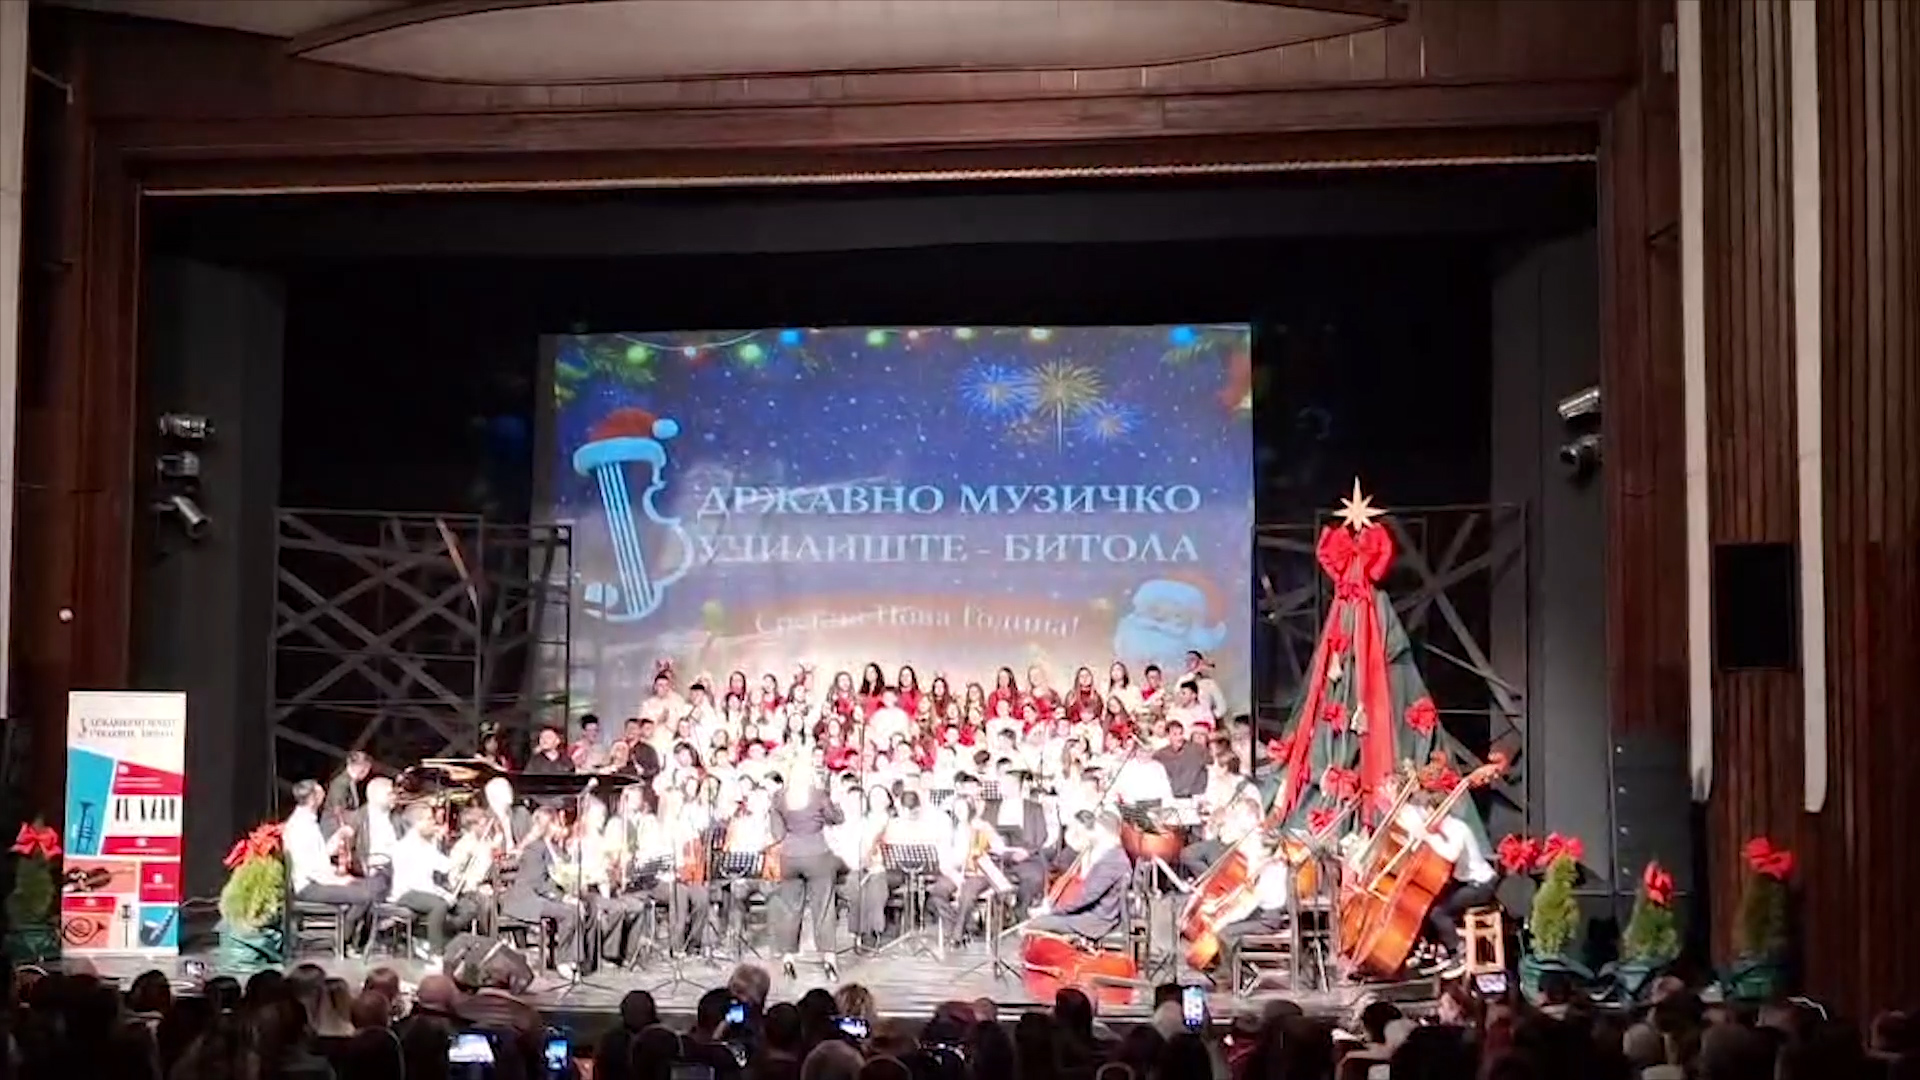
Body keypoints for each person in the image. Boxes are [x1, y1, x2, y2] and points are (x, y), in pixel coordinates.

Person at [1398, 788, 1497, 976]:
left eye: (1428, 812)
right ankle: (1432, 950)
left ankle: (1458, 952)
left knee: (1439, 912)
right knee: (1425, 905)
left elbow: (1451, 854)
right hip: (1464, 881)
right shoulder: (1443, 829)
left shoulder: (1458, 828)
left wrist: (1428, 837)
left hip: (1481, 884)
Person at [285, 778, 379, 954]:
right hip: (310, 886)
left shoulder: (309, 821)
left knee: (370, 888)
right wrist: (337, 881)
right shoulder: (300, 826)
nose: (323, 796)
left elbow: (320, 855)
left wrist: (338, 837)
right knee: (363, 896)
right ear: (312, 798)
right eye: (320, 793)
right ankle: (344, 942)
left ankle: (354, 939)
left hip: (318, 879)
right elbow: (310, 868)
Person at [773, 774, 845, 978]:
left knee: (790, 908)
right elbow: (836, 818)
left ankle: (788, 959)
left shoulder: (779, 797)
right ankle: (829, 960)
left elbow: (777, 834)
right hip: (817, 853)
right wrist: (836, 802)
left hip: (789, 856)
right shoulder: (818, 795)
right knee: (823, 907)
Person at [496, 809, 581, 976]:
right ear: (548, 826)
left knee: (577, 909)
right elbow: (538, 883)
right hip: (526, 898)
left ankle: (574, 958)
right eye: (556, 824)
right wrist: (562, 897)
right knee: (568, 913)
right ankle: (563, 961)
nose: (560, 828)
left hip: (543, 896)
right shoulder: (534, 849)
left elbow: (562, 871)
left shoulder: (554, 848)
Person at [388, 804, 479, 959]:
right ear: (417, 824)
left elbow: (445, 866)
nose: (434, 823)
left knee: (468, 907)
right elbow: (416, 883)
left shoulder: (428, 845)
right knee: (440, 905)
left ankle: (435, 937)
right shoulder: (404, 848)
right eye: (429, 819)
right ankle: (435, 953)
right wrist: (442, 895)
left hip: (427, 892)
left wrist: (466, 852)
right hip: (408, 893)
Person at [1027, 812, 1131, 941]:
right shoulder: (1113, 856)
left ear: (1102, 831)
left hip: (1095, 922)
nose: (1092, 835)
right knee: (1041, 920)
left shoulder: (1112, 862)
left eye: (1095, 830)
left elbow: (1086, 896)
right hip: (1093, 916)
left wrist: (1051, 911)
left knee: (1035, 924)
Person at [1207, 832, 1292, 959]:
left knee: (1224, 933)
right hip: (1267, 914)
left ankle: (1230, 969)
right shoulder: (1276, 866)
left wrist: (1225, 919)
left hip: (1267, 920)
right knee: (1226, 928)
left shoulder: (1270, 872)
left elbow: (1247, 908)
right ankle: (1237, 964)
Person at [1152, 721, 1209, 800]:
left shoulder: (1197, 750)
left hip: (1196, 797)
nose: (1179, 738)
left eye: (1181, 733)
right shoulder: (1161, 755)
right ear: (1168, 736)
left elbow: (1212, 765)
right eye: (1175, 734)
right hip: (1172, 798)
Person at [323, 750, 374, 832]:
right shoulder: (341, 782)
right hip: (333, 826)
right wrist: (343, 829)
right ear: (361, 767)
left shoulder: (350, 782)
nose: (367, 772)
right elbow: (337, 810)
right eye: (366, 768)